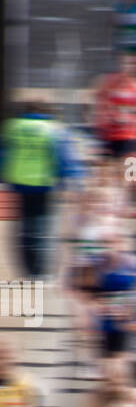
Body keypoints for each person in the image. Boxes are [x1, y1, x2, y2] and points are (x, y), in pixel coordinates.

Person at [2, 98, 77, 276]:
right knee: (42, 226)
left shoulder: (12, 126)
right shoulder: (54, 128)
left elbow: (4, 153)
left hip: (18, 181)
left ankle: (27, 267)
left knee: (23, 225)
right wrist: (67, 179)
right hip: (43, 182)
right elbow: (63, 156)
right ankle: (40, 270)